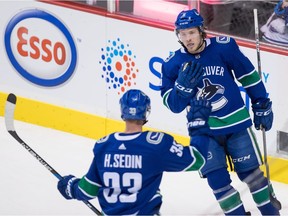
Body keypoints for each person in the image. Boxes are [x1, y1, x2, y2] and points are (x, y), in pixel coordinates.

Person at [160, 9, 282, 215]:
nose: (187, 38)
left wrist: (261, 103)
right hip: (203, 132)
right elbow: (174, 106)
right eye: (182, 33)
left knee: (252, 176)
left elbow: (248, 76)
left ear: (201, 31)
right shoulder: (173, 64)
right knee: (218, 183)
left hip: (236, 126)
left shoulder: (224, 48)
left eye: (191, 32)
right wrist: (181, 89)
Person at [57, 89, 212, 215]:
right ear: (146, 112)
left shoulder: (104, 145)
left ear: (122, 112)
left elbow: (87, 190)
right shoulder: (156, 145)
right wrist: (198, 126)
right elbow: (197, 159)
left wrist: (70, 187)